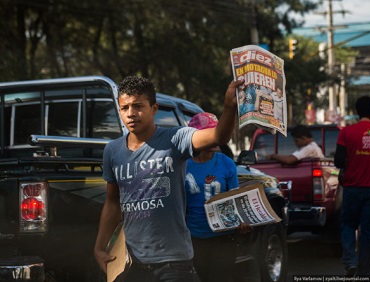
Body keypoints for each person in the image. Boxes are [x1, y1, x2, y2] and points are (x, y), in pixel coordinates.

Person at [93, 75, 244, 282]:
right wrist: (100, 247)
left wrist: (229, 107)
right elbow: (112, 202)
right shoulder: (112, 151)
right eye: (124, 108)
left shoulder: (175, 139)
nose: (131, 114)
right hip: (132, 263)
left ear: (154, 109)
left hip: (174, 264)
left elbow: (219, 136)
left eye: (138, 106)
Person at [184, 112, 252, 282]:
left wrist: (242, 221)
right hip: (194, 238)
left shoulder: (226, 163)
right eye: (209, 132)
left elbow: (234, 198)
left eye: (217, 131)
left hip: (224, 237)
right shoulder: (182, 165)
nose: (216, 137)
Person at [334, 95, 370, 277]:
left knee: (348, 225)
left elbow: (338, 161)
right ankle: (365, 271)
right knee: (368, 231)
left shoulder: (346, 132)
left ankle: (350, 262)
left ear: (356, 112)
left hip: (352, 188)